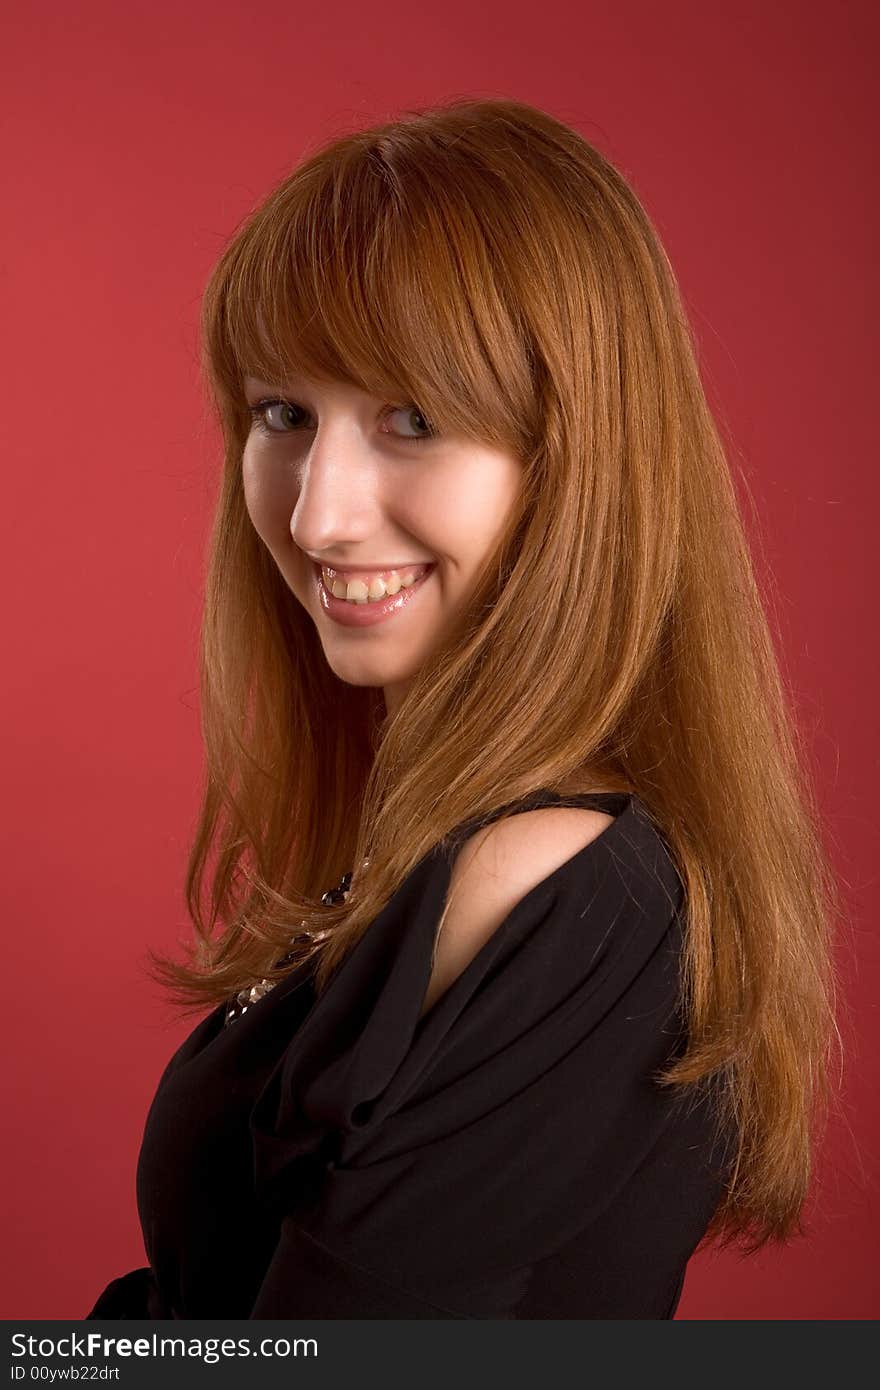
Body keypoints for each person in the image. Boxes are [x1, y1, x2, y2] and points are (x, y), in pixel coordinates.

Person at [86, 96, 841, 1320]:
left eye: (414, 421)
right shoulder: (433, 842)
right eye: (283, 413)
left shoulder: (551, 877)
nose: (317, 513)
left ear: (576, 458)